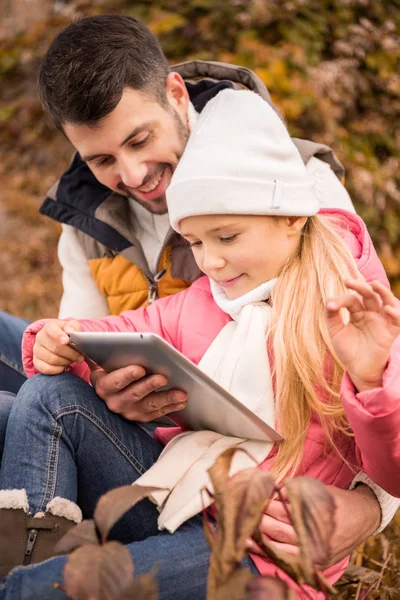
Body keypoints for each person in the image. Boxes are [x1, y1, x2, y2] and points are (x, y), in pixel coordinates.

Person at [0, 12, 396, 573]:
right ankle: (39, 557)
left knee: (15, 415)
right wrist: (87, 367)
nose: (134, 174)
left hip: (234, 460)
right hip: (152, 425)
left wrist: (368, 507)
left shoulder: (289, 188)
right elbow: (75, 354)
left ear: (175, 93)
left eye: (140, 140)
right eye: (103, 159)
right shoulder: (85, 209)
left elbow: (370, 372)